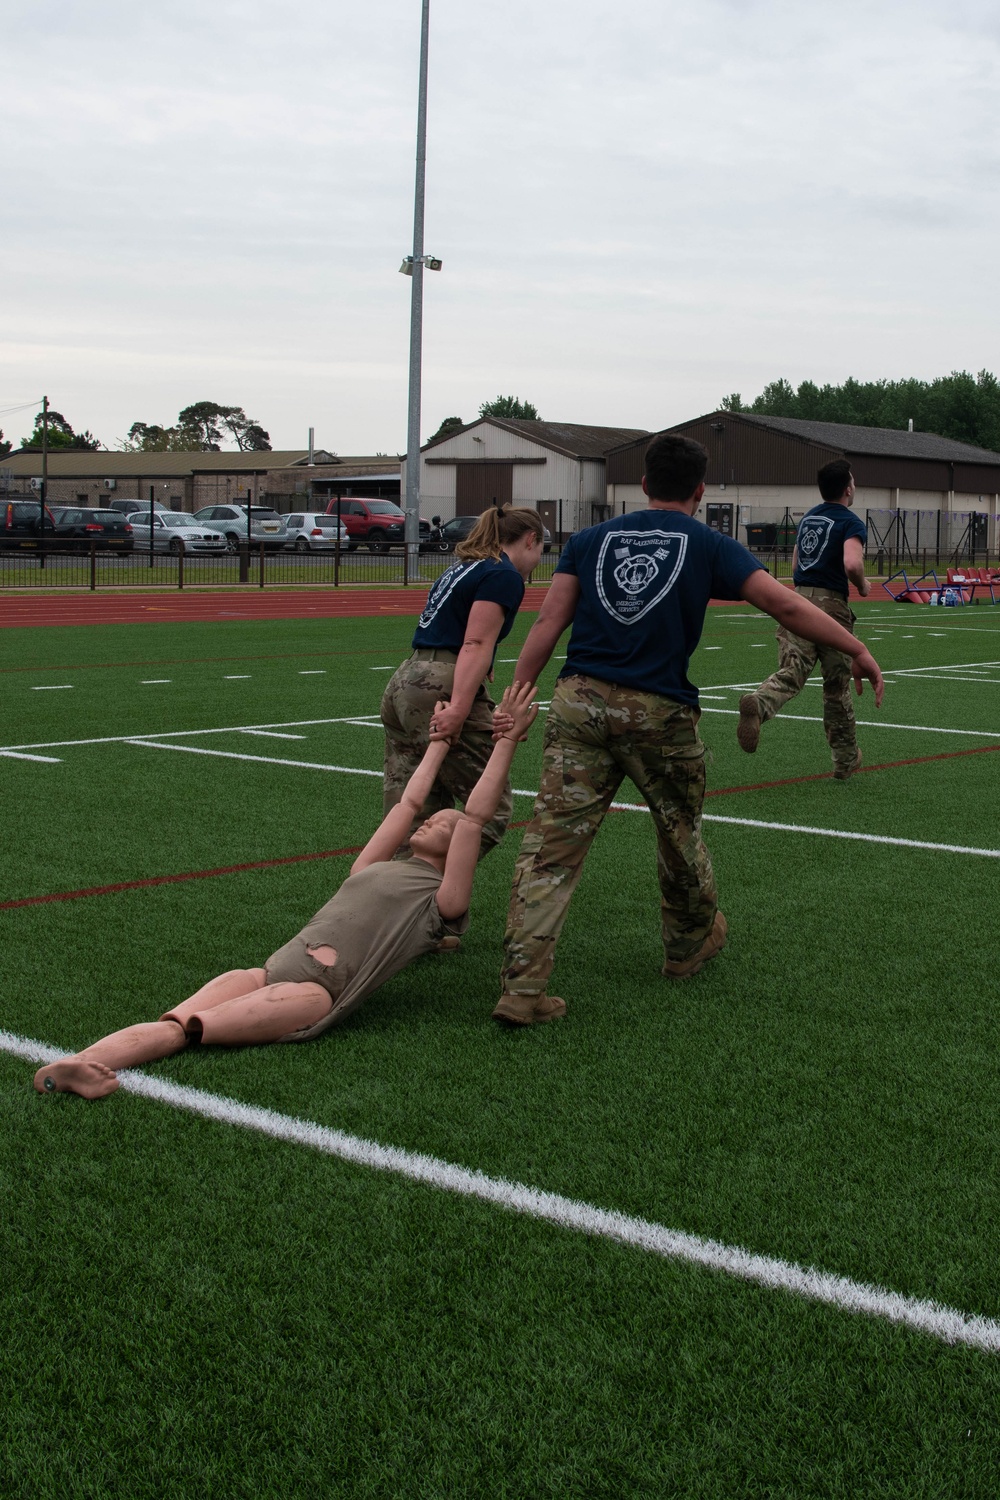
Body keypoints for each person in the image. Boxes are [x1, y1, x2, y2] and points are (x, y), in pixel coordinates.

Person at [492, 434, 884, 1026]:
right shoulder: (707, 543)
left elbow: (549, 621)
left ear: (644, 484)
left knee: (548, 850)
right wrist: (856, 647)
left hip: (577, 704)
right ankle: (685, 947)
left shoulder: (591, 541)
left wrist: (516, 698)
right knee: (678, 832)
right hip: (659, 711)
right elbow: (786, 607)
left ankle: (521, 990)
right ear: (700, 491)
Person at [34, 684, 540, 1099]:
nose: (432, 820)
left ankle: (83, 1070)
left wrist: (508, 742)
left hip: (314, 993)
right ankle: (76, 1065)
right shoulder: (371, 866)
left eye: (442, 825)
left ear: (458, 850)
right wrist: (439, 740)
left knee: (187, 1028)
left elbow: (475, 816)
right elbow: (408, 800)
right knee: (170, 1018)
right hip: (271, 969)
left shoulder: (440, 903)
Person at [381, 506, 544, 860]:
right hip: (438, 684)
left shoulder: (461, 567)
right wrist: (459, 706)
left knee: (414, 807)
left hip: (405, 678)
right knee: (488, 810)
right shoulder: (503, 575)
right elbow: (475, 642)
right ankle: (435, 888)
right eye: (541, 547)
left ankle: (395, 896)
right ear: (531, 539)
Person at [736, 458, 870, 777]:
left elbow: (797, 556)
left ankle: (760, 701)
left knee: (793, 669)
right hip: (832, 607)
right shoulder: (851, 523)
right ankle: (845, 758)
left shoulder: (809, 517)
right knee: (836, 684)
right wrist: (863, 585)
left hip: (800, 599)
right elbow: (851, 564)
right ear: (848, 488)